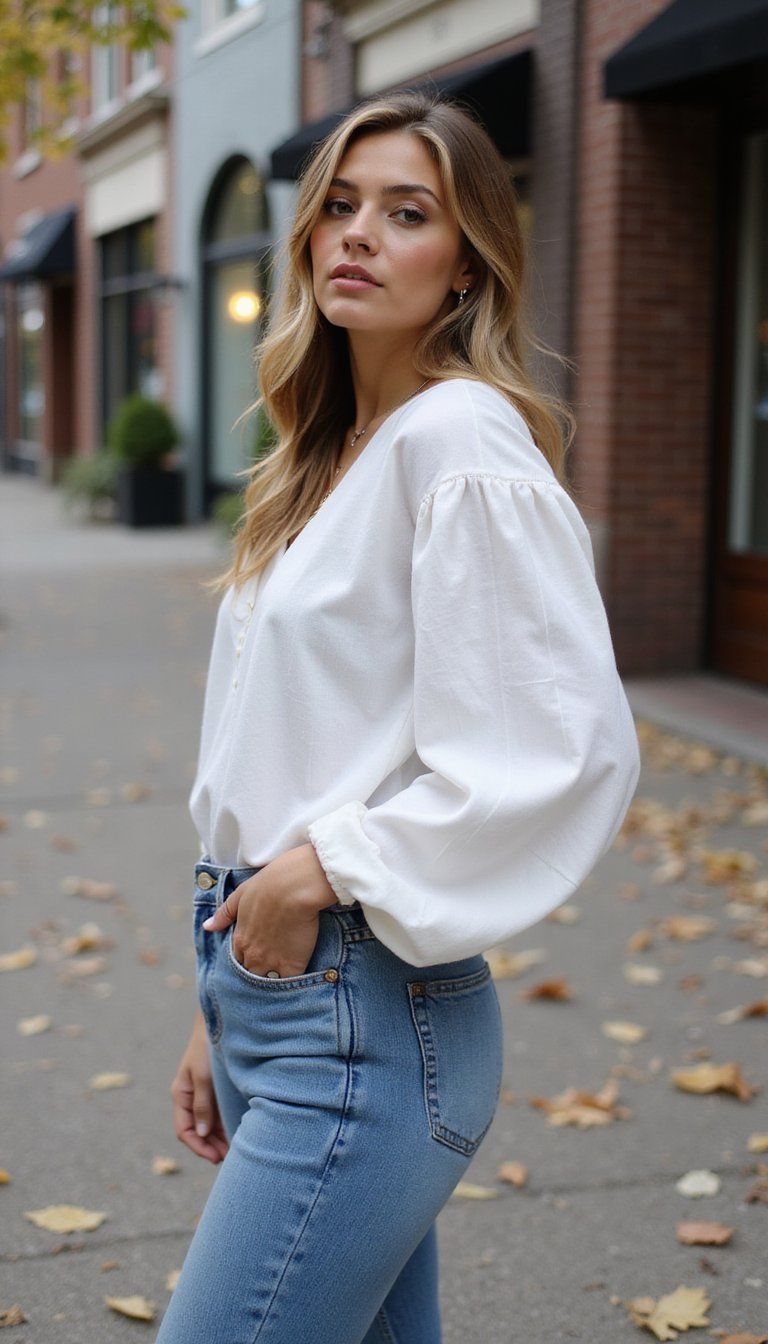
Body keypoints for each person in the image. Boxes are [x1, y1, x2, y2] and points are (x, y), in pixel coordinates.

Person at [156, 89, 641, 1344]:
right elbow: (281, 750)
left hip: (362, 1021)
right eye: (341, 204)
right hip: (275, 992)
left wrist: (317, 872)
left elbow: (558, 744)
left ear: (468, 265)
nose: (356, 233)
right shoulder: (330, 458)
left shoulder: (460, 441)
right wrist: (216, 1010)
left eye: (407, 212)